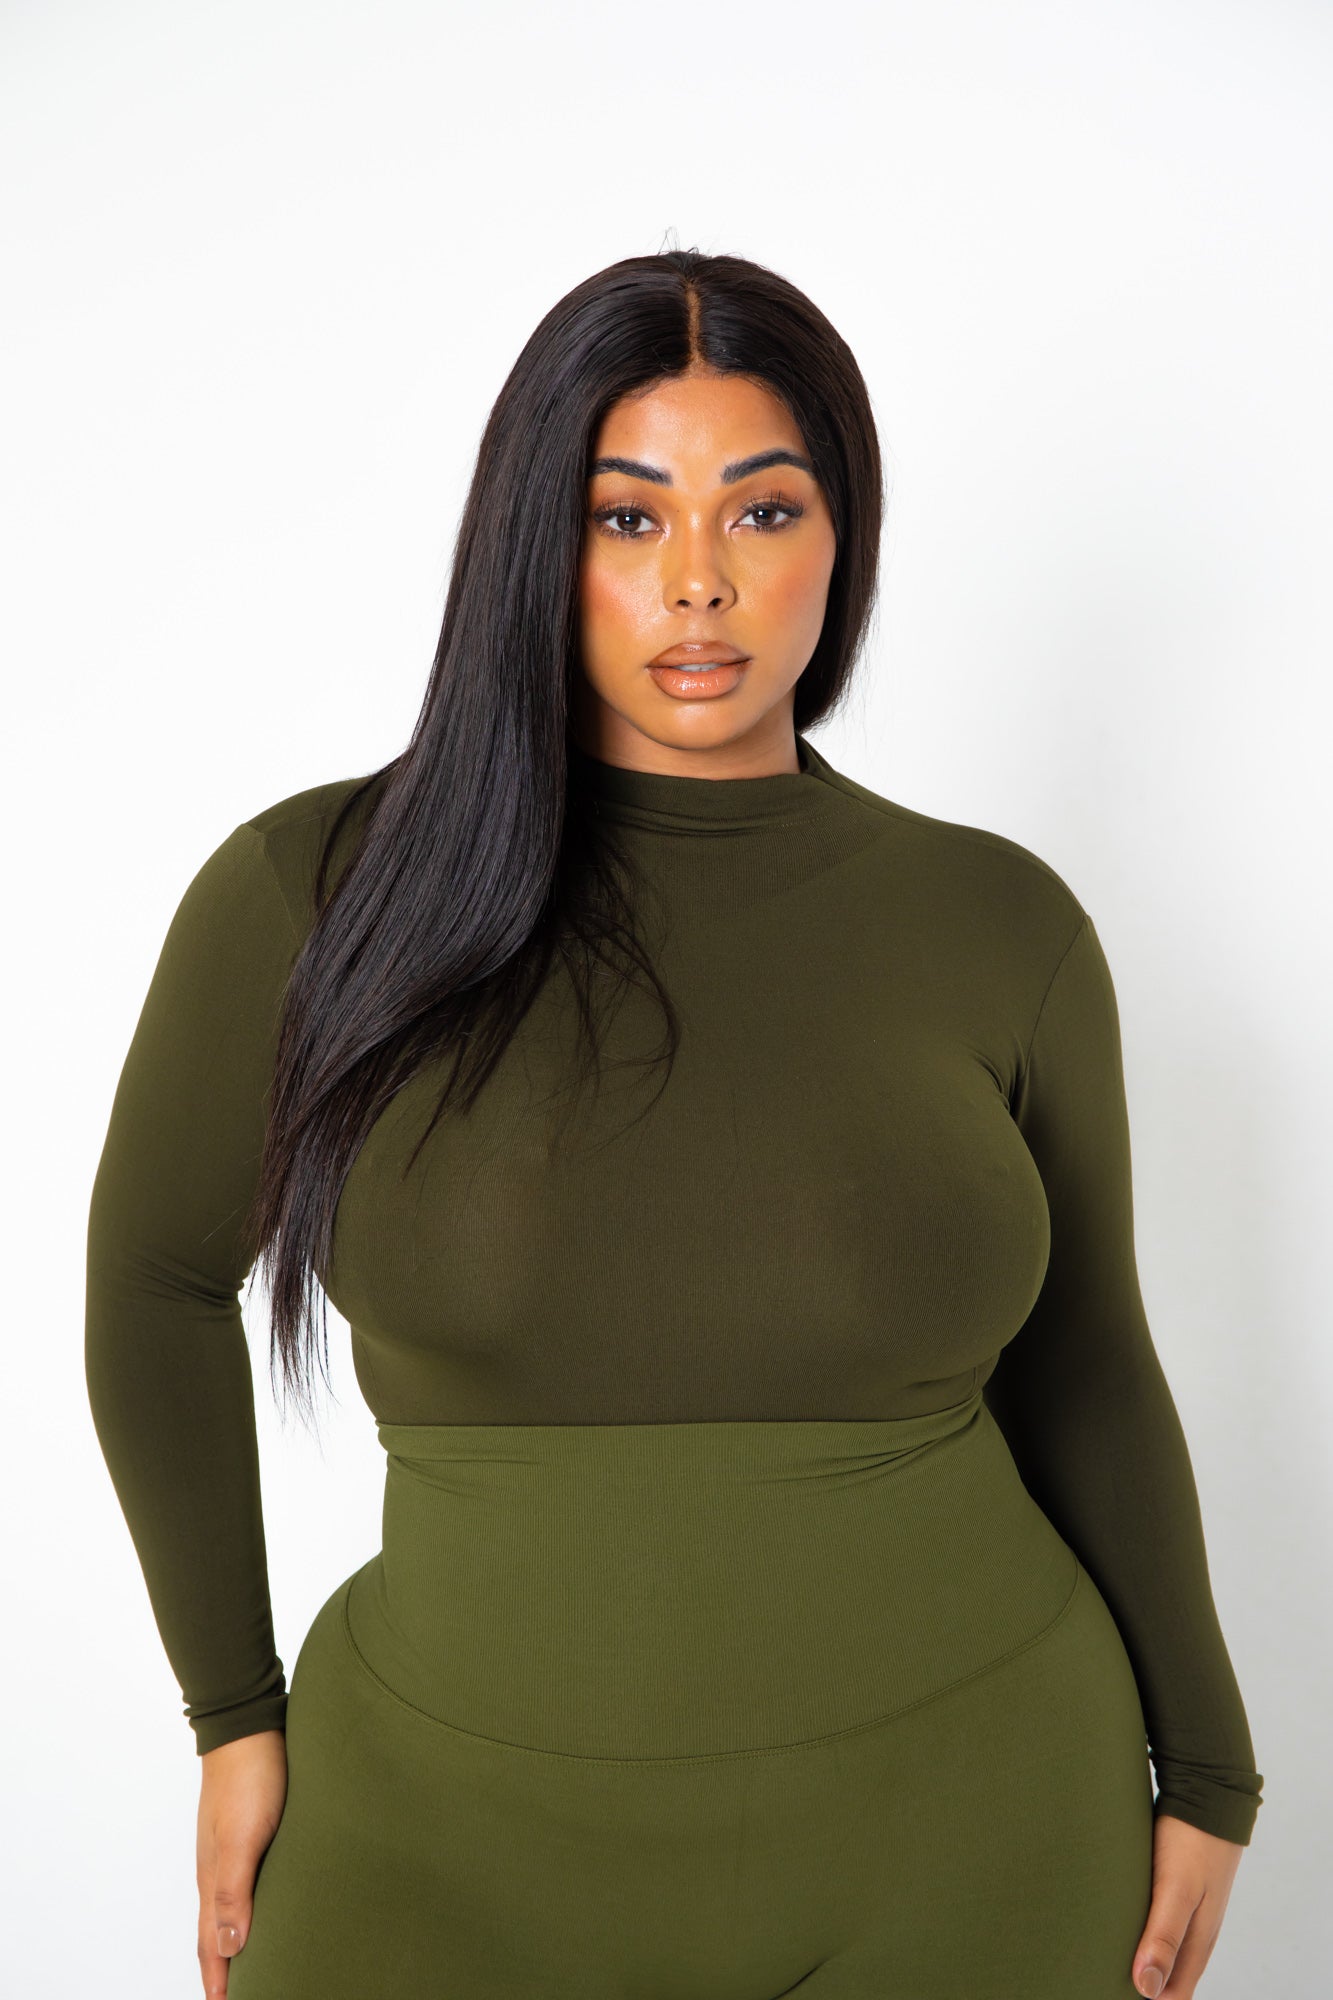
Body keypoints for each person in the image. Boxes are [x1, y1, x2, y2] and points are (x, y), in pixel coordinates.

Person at [85, 247, 1263, 2000]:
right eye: (625, 519)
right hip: (433, 1834)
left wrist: (1207, 1765)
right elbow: (155, 1285)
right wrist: (232, 1714)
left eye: (761, 511)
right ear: (529, 548)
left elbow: (1087, 1358)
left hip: (972, 1821)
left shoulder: (996, 925)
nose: (696, 582)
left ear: (842, 541)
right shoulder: (318, 894)